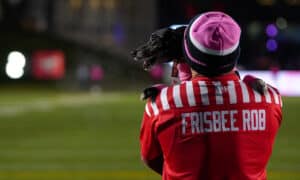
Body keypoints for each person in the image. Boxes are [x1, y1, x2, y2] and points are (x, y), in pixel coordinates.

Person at [134, 11, 282, 180]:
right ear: (235, 52)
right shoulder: (270, 98)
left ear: (187, 53)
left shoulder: (161, 103)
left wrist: (184, 69)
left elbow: (151, 157)